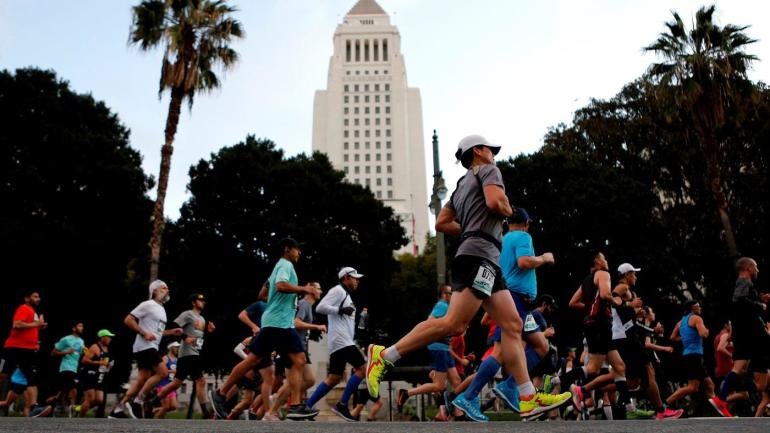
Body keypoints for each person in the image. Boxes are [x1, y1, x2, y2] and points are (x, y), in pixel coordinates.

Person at [366, 135, 565, 422]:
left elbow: (441, 223)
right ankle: (385, 356)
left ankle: (526, 397)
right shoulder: (488, 171)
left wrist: (471, 230)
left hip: (484, 260)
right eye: (490, 150)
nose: (493, 155)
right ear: (478, 151)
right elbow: (496, 203)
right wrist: (506, 211)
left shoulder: (460, 187)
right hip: (480, 258)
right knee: (454, 324)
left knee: (512, 324)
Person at [210, 237, 322, 421]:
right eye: (296, 249)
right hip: (280, 323)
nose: (299, 253)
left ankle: (221, 393)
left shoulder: (277, 267)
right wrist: (304, 289)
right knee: (299, 359)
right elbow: (280, 286)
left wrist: (277, 298)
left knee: (254, 360)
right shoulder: (286, 265)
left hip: (273, 321)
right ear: (287, 249)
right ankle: (295, 405)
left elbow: (262, 293)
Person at [566, 253, 634, 420]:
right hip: (600, 325)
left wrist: (590, 309)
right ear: (597, 261)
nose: (606, 261)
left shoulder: (587, 280)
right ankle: (559, 381)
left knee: (619, 366)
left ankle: (629, 407)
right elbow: (605, 294)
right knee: (593, 369)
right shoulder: (603, 274)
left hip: (596, 325)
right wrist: (617, 302)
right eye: (604, 258)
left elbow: (572, 302)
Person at [108, 280, 183, 419]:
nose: (167, 290)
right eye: (163, 288)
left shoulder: (161, 309)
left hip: (150, 346)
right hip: (144, 346)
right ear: (154, 290)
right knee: (163, 372)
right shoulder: (148, 304)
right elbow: (128, 319)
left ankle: (117, 410)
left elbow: (157, 332)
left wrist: (172, 332)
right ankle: (137, 401)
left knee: (141, 380)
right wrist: (143, 333)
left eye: (167, 288)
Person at [305, 267, 367, 421]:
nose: (357, 280)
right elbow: (320, 308)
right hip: (342, 341)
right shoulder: (338, 290)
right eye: (354, 277)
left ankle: (307, 406)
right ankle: (342, 404)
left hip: (341, 341)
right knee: (363, 369)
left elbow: (344, 316)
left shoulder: (345, 295)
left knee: (333, 378)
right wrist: (339, 310)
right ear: (346, 277)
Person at [711, 257, 769, 417]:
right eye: (755, 267)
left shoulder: (742, 283)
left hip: (743, 332)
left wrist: (759, 300)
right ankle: (727, 388)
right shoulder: (745, 281)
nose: (757, 270)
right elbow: (740, 301)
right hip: (753, 334)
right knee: (759, 383)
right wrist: (760, 305)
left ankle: (722, 396)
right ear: (748, 268)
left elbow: (741, 304)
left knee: (741, 370)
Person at [396, 285, 465, 417]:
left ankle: (457, 411)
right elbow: (429, 323)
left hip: (444, 347)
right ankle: (407, 393)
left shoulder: (448, 307)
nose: (451, 295)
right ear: (443, 295)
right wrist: (443, 330)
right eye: (448, 293)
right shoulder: (442, 306)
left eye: (452, 293)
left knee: (456, 381)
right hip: (439, 347)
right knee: (439, 385)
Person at [149, 293, 216, 418]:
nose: (203, 302)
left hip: (195, 352)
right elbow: (174, 326)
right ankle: (205, 412)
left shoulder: (202, 319)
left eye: (204, 301)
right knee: (201, 381)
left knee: (177, 383)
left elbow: (199, 338)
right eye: (200, 300)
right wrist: (185, 337)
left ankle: (154, 400)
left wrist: (209, 332)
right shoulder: (187, 314)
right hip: (188, 353)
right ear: (193, 303)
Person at [0, 290, 52, 417]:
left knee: (26, 377)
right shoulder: (24, 308)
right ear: (26, 298)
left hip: (27, 349)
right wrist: (36, 324)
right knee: (6, 375)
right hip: (17, 347)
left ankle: (30, 407)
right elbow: (17, 324)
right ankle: (34, 407)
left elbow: (29, 327)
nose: (38, 298)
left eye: (39, 296)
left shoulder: (33, 312)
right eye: (35, 296)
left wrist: (39, 327)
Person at [666, 301, 717, 409]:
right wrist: (706, 331)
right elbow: (703, 334)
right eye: (698, 306)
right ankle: (665, 404)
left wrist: (686, 338)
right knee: (693, 387)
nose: (700, 308)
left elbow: (672, 337)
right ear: (692, 308)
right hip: (695, 356)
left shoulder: (680, 322)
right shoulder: (696, 318)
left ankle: (719, 410)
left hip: (689, 356)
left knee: (709, 385)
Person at [50, 321, 86, 416]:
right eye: (80, 326)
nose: (82, 328)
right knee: (73, 388)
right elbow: (53, 353)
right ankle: (72, 407)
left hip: (75, 368)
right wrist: (66, 352)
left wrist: (85, 352)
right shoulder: (66, 339)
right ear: (74, 328)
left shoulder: (82, 341)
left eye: (82, 326)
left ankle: (53, 403)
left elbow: (79, 354)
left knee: (64, 390)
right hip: (66, 367)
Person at [78, 329, 115, 417]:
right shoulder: (95, 347)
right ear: (102, 338)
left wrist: (108, 366)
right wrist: (100, 363)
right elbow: (84, 360)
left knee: (99, 399)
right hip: (89, 374)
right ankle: (79, 419)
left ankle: (79, 408)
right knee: (90, 398)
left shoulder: (107, 348)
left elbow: (103, 363)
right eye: (108, 337)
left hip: (99, 376)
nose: (110, 339)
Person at [153, 341, 180, 419]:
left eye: (178, 347)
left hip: (171, 385)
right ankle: (156, 423)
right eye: (176, 347)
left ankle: (156, 410)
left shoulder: (176, 359)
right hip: (163, 384)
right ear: (171, 348)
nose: (177, 349)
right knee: (166, 407)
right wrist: (172, 371)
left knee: (173, 406)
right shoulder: (165, 358)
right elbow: (161, 371)